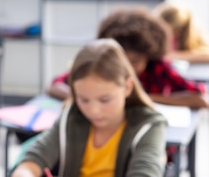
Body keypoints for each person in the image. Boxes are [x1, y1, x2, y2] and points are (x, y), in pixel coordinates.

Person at [12, 38, 167, 177]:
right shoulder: (72, 116)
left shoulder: (149, 125)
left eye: (105, 100)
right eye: (84, 100)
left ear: (127, 87)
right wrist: (25, 172)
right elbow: (36, 156)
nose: (93, 111)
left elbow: (146, 170)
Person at [47, 7, 208, 109]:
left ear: (149, 56)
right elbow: (55, 86)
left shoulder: (158, 68)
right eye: (122, 59)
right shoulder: (102, 66)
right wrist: (87, 99)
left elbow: (200, 98)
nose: (128, 67)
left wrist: (142, 99)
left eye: (136, 61)